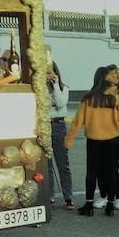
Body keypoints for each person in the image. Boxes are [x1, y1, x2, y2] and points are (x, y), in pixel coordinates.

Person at [65, 66, 119, 216]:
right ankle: (110, 205)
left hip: (93, 141)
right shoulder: (114, 98)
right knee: (111, 173)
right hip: (112, 140)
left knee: (92, 172)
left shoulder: (88, 99)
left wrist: (69, 140)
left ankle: (88, 205)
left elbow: (77, 122)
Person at [47, 61, 74, 209]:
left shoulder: (64, 88)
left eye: (50, 72)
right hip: (44, 125)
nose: (48, 75)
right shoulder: (40, 89)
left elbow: (60, 103)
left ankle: (68, 196)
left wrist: (56, 85)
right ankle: (49, 195)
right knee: (47, 165)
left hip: (58, 125)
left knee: (63, 163)